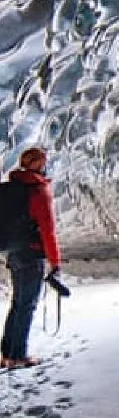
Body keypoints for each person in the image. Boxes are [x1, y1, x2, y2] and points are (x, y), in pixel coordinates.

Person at [0, 146, 61, 370]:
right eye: (43, 161)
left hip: (14, 252)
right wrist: (55, 261)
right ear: (37, 164)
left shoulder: (13, 187)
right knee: (27, 305)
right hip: (31, 253)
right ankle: (18, 356)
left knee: (17, 304)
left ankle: (7, 354)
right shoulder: (37, 190)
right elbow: (48, 229)